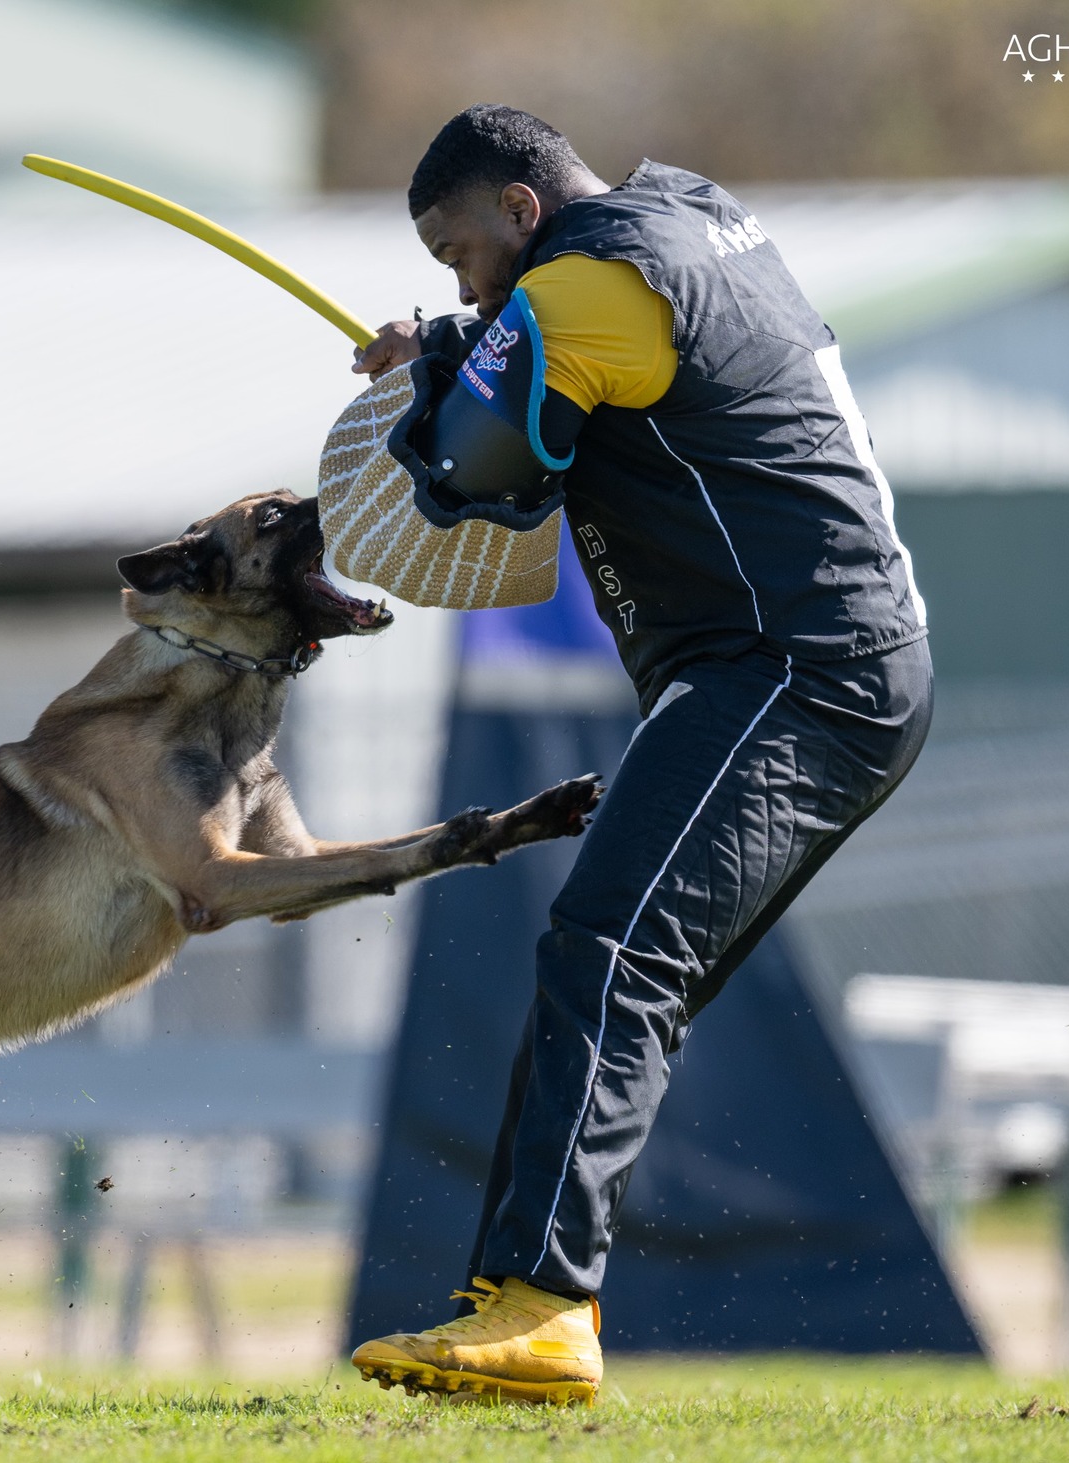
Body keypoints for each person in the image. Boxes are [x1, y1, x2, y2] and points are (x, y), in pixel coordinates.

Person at [340, 105, 932, 1406]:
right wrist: (452, 341)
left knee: (609, 949)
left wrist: (440, 378)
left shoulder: (590, 283)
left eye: (459, 256)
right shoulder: (688, 223)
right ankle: (512, 1307)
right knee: (608, 971)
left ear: (521, 212)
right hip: (827, 667)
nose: (464, 282)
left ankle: (544, 1313)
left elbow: (480, 472)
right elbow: (570, 366)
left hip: (792, 674)